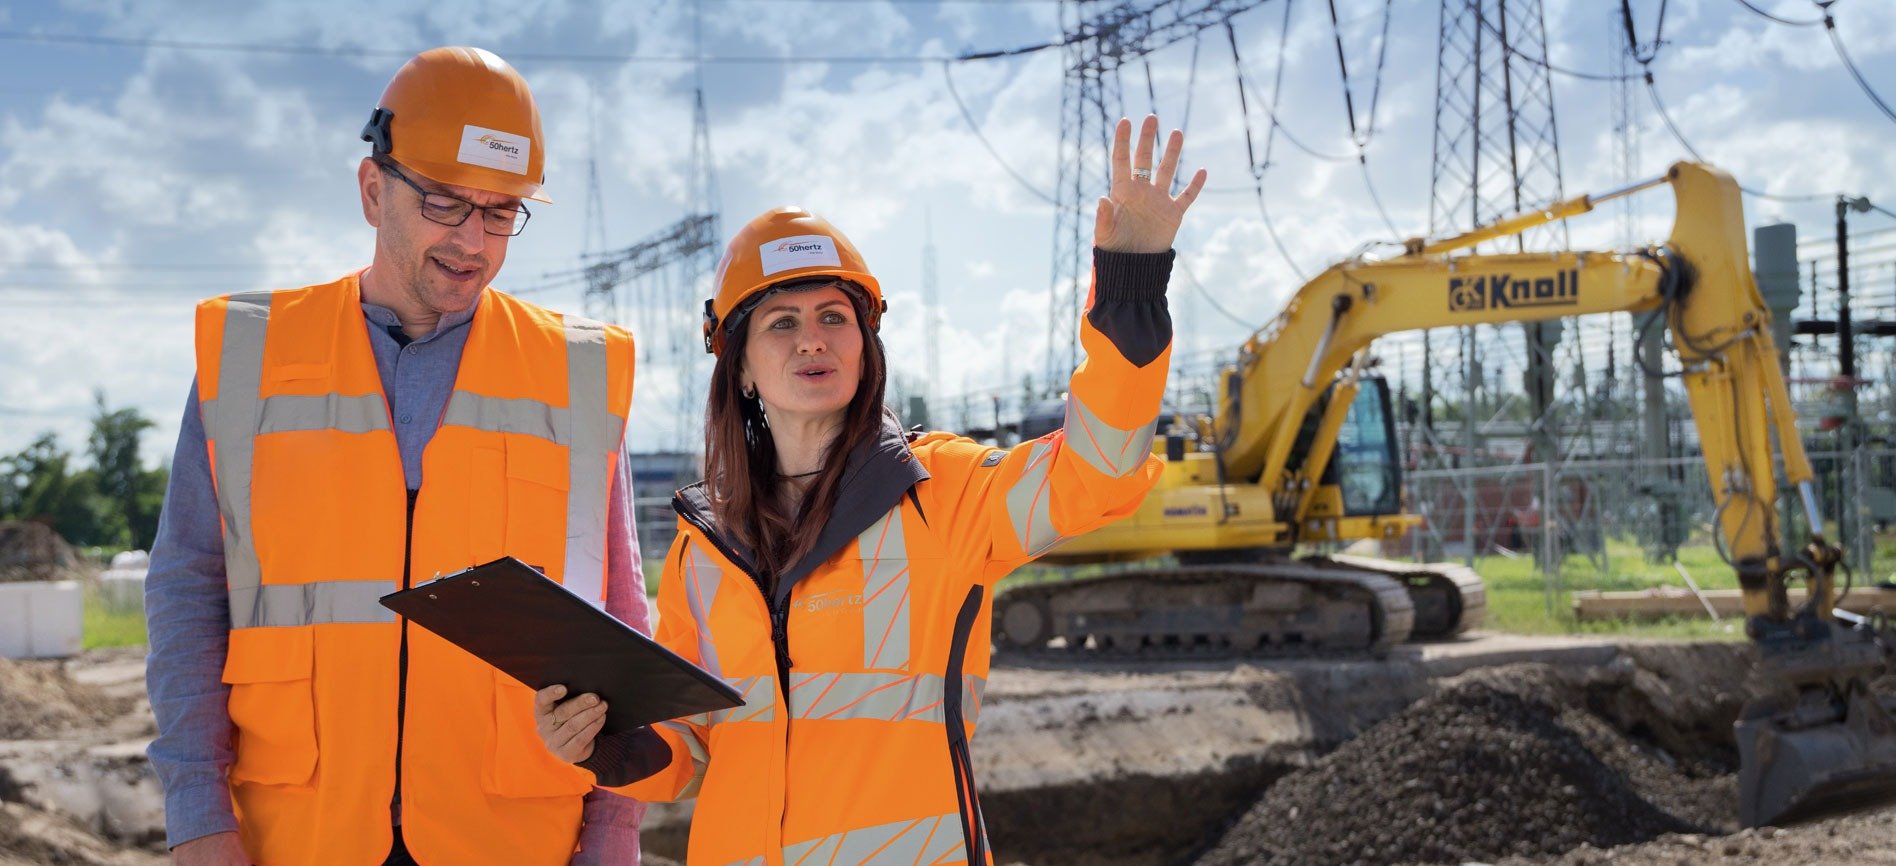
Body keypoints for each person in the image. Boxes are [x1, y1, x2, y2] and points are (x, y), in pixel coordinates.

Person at [533, 115, 1205, 864]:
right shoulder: (704, 543)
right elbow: (692, 749)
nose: (813, 338)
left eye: (833, 317)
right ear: (743, 368)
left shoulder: (942, 492)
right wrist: (607, 743)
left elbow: (1098, 472)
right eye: (782, 323)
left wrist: (1130, 283)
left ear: (865, 343)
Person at [143, 47, 650, 866]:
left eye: (500, 213)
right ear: (374, 190)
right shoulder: (250, 358)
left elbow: (619, 616)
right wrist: (198, 813)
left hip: (514, 836)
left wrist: (614, 828)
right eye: (447, 203)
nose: (473, 242)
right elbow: (188, 591)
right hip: (298, 834)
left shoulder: (578, 376)